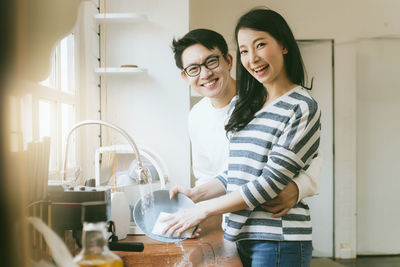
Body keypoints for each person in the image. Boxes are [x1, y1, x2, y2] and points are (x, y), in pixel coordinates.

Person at [165, 8, 321, 266]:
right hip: (241, 234)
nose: (253, 58)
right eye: (245, 51)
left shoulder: (301, 105)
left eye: (260, 45)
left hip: (277, 238)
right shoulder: (250, 105)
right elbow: (239, 171)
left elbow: (272, 180)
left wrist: (201, 210)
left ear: (283, 44)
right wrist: (196, 195)